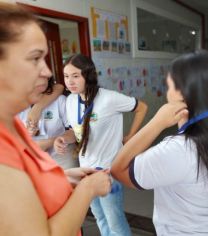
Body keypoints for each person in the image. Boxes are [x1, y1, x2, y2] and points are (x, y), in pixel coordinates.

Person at [0, 3, 111, 236]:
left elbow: (28, 183)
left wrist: (63, 177)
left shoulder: (12, 125)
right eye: (34, 58)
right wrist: (88, 189)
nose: (48, 72)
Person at [111, 50, 208, 235]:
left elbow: (118, 169)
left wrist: (156, 123)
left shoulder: (178, 149)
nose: (167, 93)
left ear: (182, 93)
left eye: (168, 87)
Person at [54, 54, 148, 236]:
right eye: (66, 76)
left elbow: (142, 107)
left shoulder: (109, 98)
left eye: (75, 76)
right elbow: (77, 131)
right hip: (85, 171)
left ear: (88, 75)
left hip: (107, 171)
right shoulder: (71, 101)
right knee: (100, 218)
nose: (69, 81)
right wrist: (64, 139)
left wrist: (130, 136)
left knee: (115, 223)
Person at [18, 77, 79, 169]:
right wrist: (29, 134)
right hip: (34, 161)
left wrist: (60, 140)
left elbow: (75, 131)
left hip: (63, 157)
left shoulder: (59, 100)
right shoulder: (18, 106)